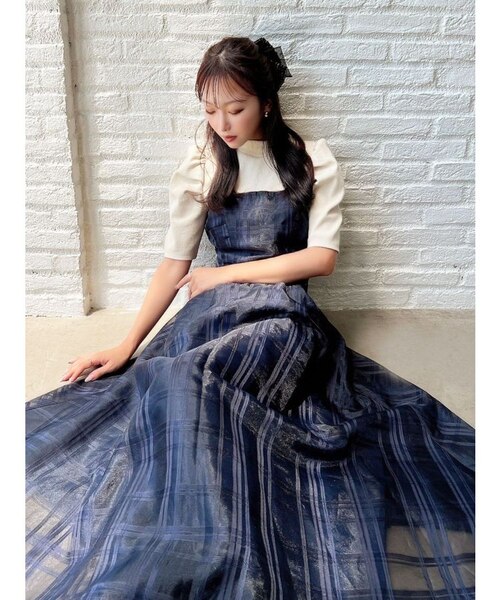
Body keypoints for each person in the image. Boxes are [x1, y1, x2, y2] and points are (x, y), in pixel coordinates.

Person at [26, 36, 475, 599]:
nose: (222, 124)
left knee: (204, 377)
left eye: (235, 109)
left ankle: (205, 543)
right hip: (212, 313)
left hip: (284, 315)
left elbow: (321, 259)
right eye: (210, 110)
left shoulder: (311, 159)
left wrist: (224, 275)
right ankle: (191, 533)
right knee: (172, 376)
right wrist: (126, 345)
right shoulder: (202, 164)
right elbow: (174, 264)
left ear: (265, 102)